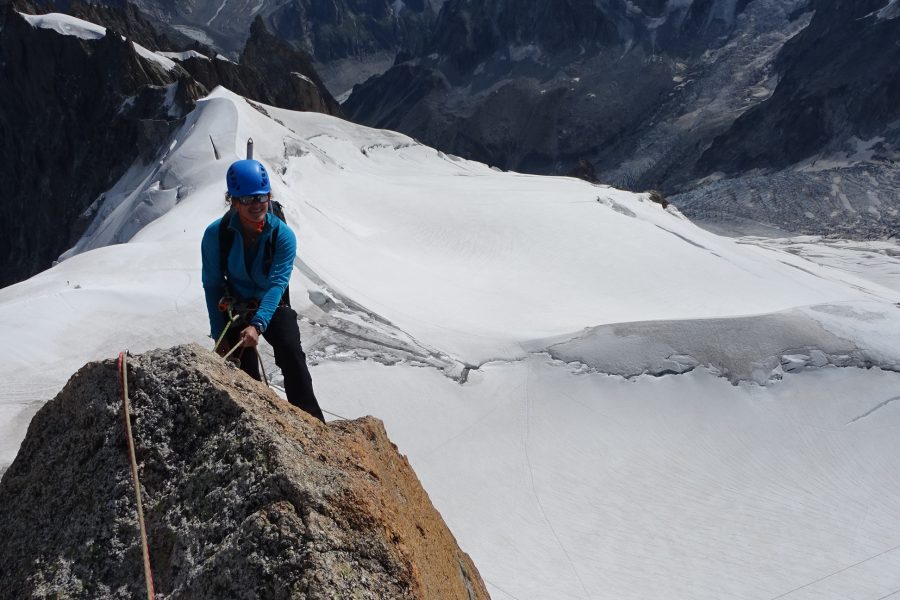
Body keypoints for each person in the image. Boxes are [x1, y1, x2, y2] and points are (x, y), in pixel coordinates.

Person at [201, 159, 325, 422]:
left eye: (262, 196)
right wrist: (218, 336)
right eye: (248, 199)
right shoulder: (216, 235)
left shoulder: (282, 236)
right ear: (233, 201)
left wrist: (257, 325)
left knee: (291, 352)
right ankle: (256, 424)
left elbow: (277, 284)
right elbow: (212, 285)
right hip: (235, 305)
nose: (257, 204)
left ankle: (313, 423)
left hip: (271, 303)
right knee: (241, 372)